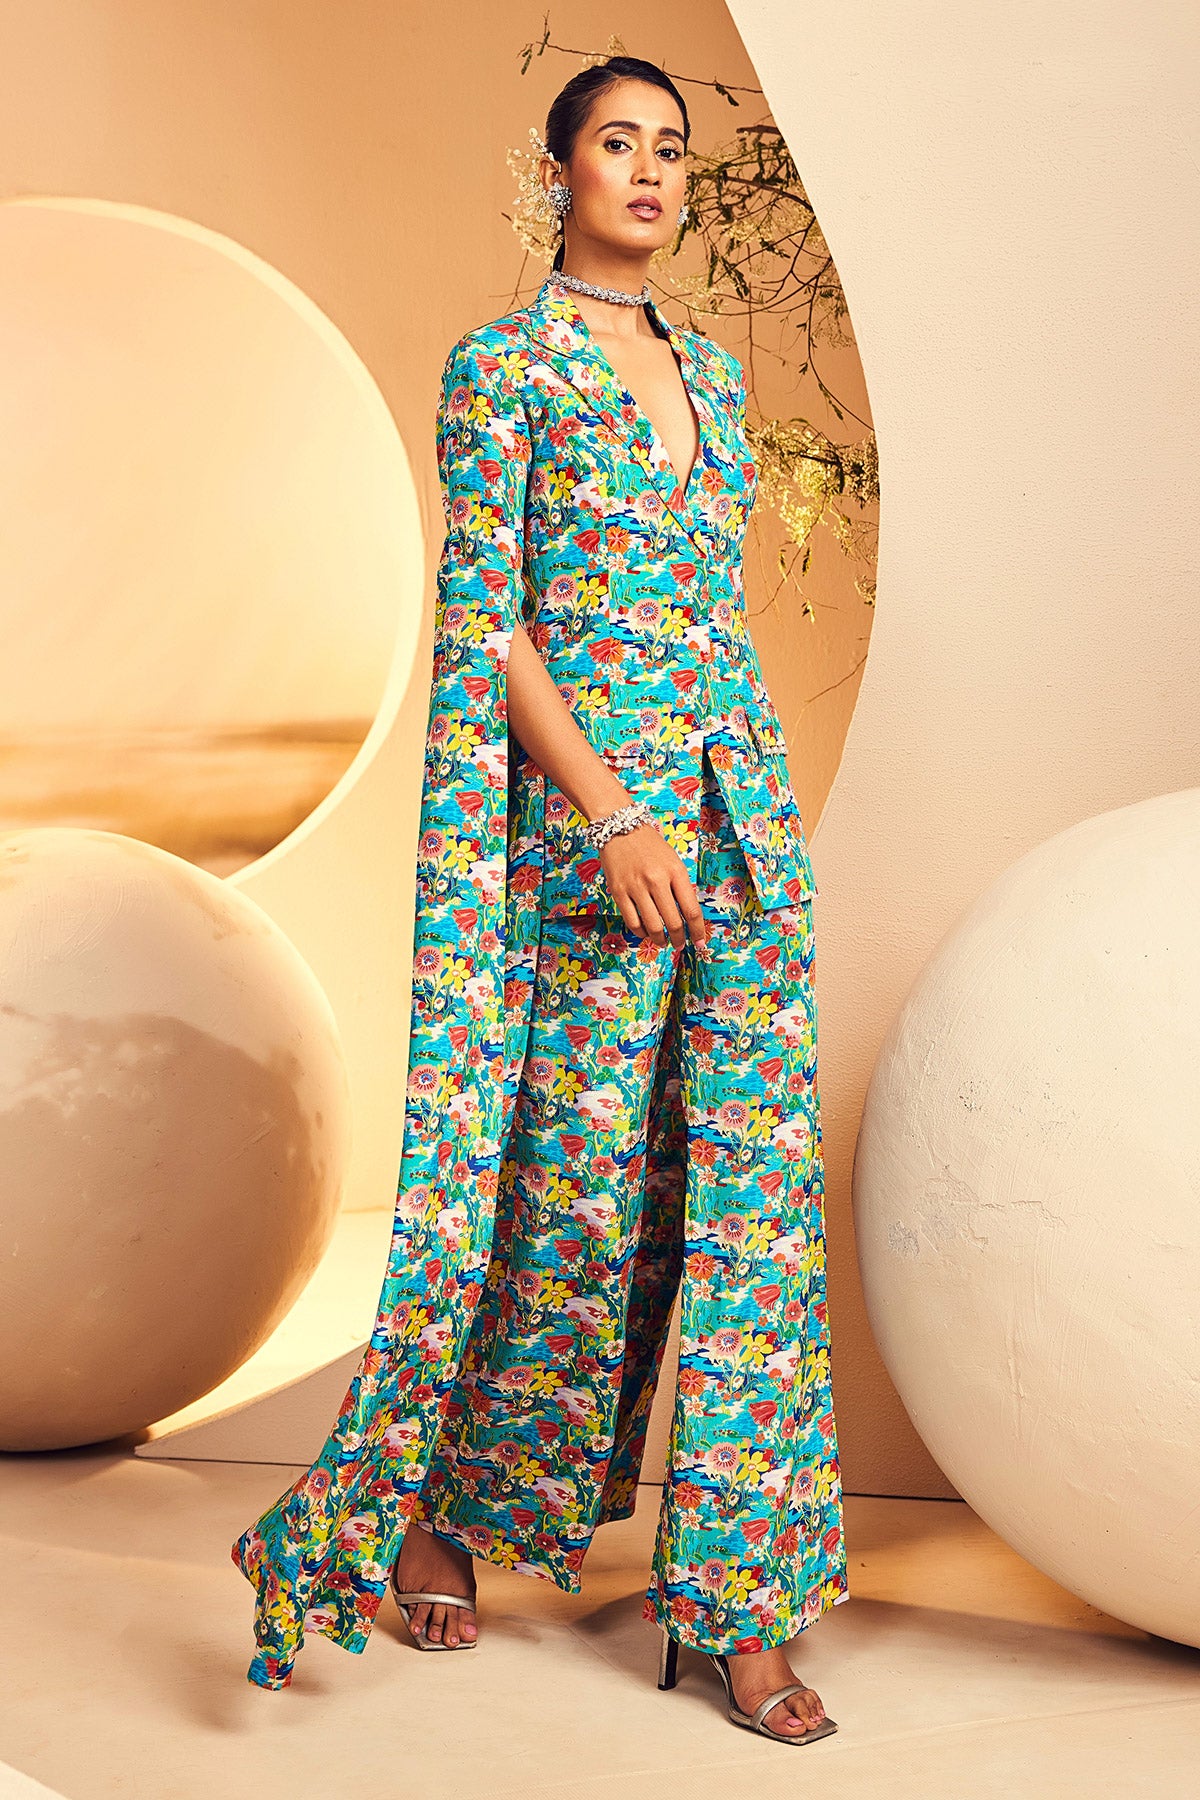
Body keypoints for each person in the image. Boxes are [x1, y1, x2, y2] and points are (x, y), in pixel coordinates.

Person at [231, 53, 848, 1746]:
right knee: (572, 1203)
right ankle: (443, 1515)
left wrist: (728, 820)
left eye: (672, 151)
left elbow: (710, 616)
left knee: (754, 1228)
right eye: (617, 144)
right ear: (557, 170)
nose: (648, 171)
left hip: (739, 833)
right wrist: (610, 818)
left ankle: (744, 1610)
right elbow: (489, 620)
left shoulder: (711, 375)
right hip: (596, 845)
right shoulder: (502, 369)